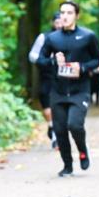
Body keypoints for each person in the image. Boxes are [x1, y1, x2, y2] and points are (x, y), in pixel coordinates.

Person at [35, 0, 99, 177]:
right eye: (62, 12)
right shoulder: (53, 38)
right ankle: (67, 165)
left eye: (69, 13)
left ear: (77, 15)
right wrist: (52, 61)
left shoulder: (88, 36)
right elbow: (40, 60)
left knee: (74, 125)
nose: (64, 16)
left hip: (80, 90)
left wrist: (83, 68)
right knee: (60, 129)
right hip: (58, 90)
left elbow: (98, 60)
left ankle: (82, 150)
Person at [29, 12, 63, 149]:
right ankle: (51, 126)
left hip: (63, 79)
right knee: (48, 109)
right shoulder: (44, 37)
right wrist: (45, 61)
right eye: (57, 22)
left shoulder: (72, 37)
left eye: (62, 22)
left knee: (60, 109)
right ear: (53, 23)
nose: (60, 25)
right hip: (47, 77)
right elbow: (32, 55)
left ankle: (56, 136)